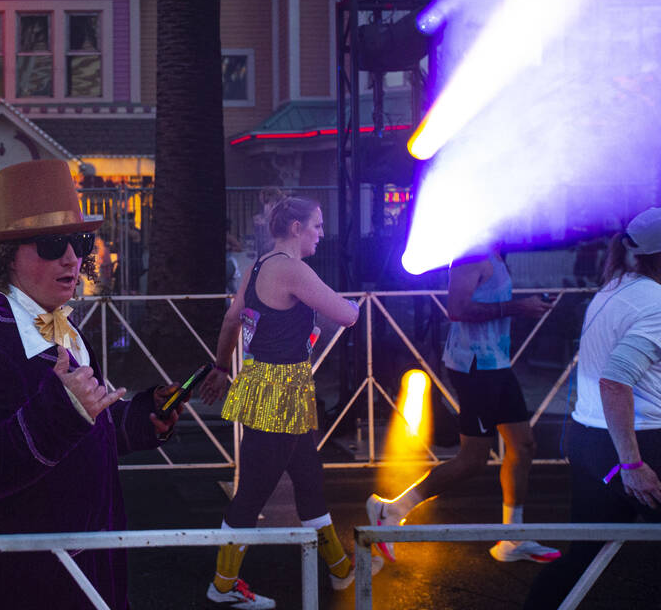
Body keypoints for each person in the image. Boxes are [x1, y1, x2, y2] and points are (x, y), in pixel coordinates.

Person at [0, 159, 183, 610]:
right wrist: (58, 414)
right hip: (32, 582)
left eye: (79, 241)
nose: (72, 257)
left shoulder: (57, 323)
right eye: (53, 244)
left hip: (88, 569)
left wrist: (142, 418)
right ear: (6, 256)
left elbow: (84, 418)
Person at [200, 196, 362, 608]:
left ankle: (341, 569)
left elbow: (231, 318)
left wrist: (221, 368)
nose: (321, 234)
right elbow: (346, 316)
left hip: (267, 385)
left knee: (308, 476)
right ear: (295, 228)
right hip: (280, 391)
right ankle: (222, 585)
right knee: (255, 489)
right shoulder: (291, 269)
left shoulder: (259, 265)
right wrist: (355, 306)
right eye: (317, 225)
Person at [366, 244, 559, 564]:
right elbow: (456, 308)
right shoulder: (472, 254)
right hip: (475, 366)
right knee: (472, 459)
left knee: (523, 446)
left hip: (496, 364)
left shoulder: (496, 254)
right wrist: (518, 307)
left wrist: (521, 307)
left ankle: (512, 538)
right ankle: (391, 509)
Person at [523, 207, 661, 609]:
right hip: (638, 444)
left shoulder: (615, 288)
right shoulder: (654, 303)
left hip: (590, 440)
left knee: (583, 555)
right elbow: (615, 379)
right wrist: (632, 465)